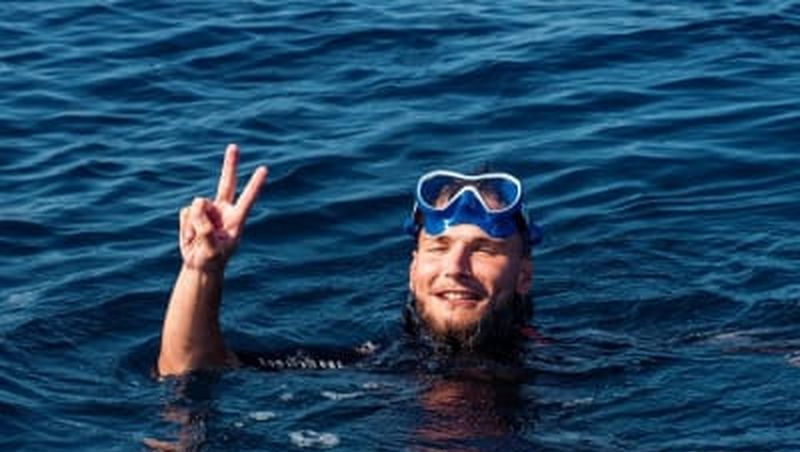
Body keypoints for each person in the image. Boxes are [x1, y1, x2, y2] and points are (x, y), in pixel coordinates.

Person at [157, 145, 542, 376]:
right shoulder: (372, 367)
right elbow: (190, 369)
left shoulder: (566, 376)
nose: (455, 268)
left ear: (523, 276)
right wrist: (202, 270)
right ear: (413, 271)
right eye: (439, 248)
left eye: (483, 249)